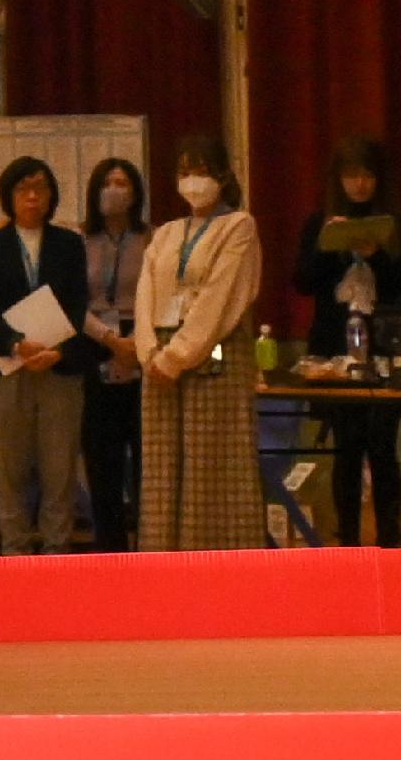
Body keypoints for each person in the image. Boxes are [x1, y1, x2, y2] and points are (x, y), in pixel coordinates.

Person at [134, 135, 264, 551]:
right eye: (185, 172)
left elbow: (220, 298)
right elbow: (145, 293)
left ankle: (216, 561)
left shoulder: (239, 226)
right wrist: (149, 351)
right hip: (159, 358)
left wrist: (178, 356)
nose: (193, 182)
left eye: (202, 172)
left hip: (214, 353)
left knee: (211, 466)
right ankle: (162, 560)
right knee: (162, 467)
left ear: (223, 177)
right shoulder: (167, 233)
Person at [0, 156, 92, 553]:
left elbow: (77, 304)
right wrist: (17, 343)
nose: (33, 197)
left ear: (52, 195)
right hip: (8, 367)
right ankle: (15, 550)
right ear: (9, 195)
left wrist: (58, 349)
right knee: (10, 468)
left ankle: (57, 551)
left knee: (59, 468)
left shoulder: (69, 244)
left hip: (60, 367)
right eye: (24, 189)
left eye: (41, 188)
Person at [289, 136, 395, 545]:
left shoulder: (392, 221)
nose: (360, 184)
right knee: (346, 448)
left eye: (367, 175)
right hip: (334, 347)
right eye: (352, 175)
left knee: (383, 448)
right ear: (339, 180)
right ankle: (346, 540)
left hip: (385, 348)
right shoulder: (319, 222)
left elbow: (397, 287)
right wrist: (329, 247)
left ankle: (390, 539)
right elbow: (301, 282)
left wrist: (376, 254)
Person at [77, 155, 149, 549]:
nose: (114, 191)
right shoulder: (79, 239)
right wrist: (110, 339)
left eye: (122, 183)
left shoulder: (152, 239)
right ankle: (110, 551)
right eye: (107, 183)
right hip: (96, 350)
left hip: (143, 350)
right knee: (102, 465)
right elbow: (75, 301)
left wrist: (136, 344)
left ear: (135, 193)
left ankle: (149, 549)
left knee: (145, 464)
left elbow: (161, 297)